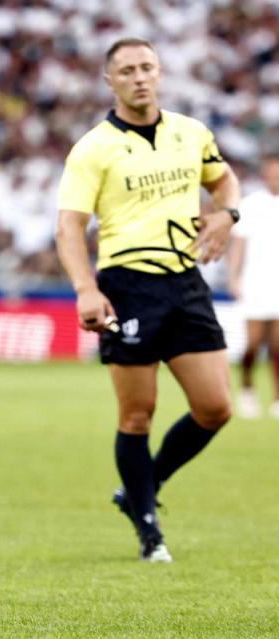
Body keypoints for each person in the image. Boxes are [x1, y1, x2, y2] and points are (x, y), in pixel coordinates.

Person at [55, 38, 241, 563]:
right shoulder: (93, 147)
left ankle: (139, 489)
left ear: (159, 73)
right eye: (127, 70)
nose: (139, 77)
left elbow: (225, 183)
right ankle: (149, 530)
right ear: (108, 80)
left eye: (147, 67)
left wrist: (228, 214)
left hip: (185, 283)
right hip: (127, 285)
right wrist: (86, 289)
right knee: (137, 415)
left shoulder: (191, 133)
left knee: (216, 408)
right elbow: (69, 226)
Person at [228, 154, 279, 419]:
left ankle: (277, 398)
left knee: (278, 346)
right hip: (254, 282)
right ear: (264, 174)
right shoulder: (250, 205)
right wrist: (234, 278)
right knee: (253, 344)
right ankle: (247, 389)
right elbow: (238, 245)